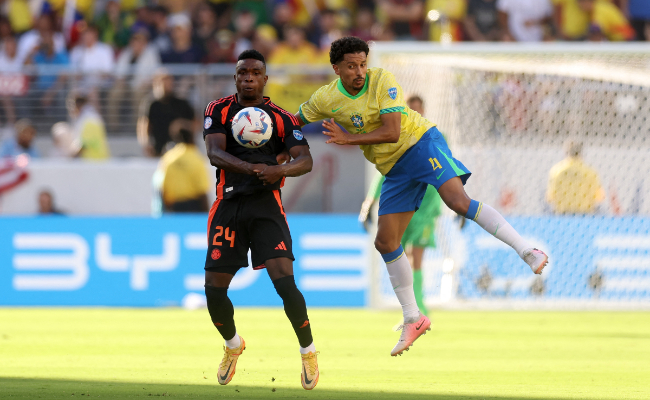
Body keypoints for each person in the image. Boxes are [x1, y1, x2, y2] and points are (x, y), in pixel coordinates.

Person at [296, 36, 548, 356]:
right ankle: (413, 317)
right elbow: (296, 120)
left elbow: (391, 131)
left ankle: (526, 250)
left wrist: (348, 139)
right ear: (336, 69)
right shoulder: (326, 98)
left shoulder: (382, 80)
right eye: (351, 66)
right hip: (393, 168)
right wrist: (272, 132)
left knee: (457, 201)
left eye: (362, 64)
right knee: (385, 241)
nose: (359, 71)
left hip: (419, 143)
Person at [202, 49, 318, 390]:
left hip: (267, 205)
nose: (248, 77)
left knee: (284, 281)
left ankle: (308, 350)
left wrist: (278, 170)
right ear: (235, 78)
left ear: (265, 79)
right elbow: (214, 153)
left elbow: (305, 160)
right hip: (229, 205)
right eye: (242, 73)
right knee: (213, 291)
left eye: (254, 72)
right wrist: (255, 168)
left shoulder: (281, 118)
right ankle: (233, 345)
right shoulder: (218, 110)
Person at [359, 95, 442, 317]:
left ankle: (420, 306)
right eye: (411, 109)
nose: (415, 112)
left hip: (425, 208)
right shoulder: (397, 138)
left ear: (423, 110)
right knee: (399, 257)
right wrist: (370, 201)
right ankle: (410, 306)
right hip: (403, 205)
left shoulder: (434, 136)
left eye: (418, 109)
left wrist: (458, 200)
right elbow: (384, 170)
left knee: (417, 257)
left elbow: (448, 168)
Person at [154, 119, 209, 213]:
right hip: (194, 207)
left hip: (175, 207)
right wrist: (206, 212)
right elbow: (202, 190)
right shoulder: (197, 158)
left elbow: (162, 187)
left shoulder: (168, 158)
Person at [138, 71, 195, 157]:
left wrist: (182, 125)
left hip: (181, 152)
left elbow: (196, 123)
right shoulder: (151, 104)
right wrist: (146, 144)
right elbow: (144, 125)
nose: (166, 85)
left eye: (168, 81)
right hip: (158, 151)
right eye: (162, 82)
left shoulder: (181, 103)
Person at [546, 140, 605, 214]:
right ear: (581, 153)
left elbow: (550, 197)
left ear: (566, 153)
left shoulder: (556, 171)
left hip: (563, 214)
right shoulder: (590, 172)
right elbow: (599, 197)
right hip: (585, 214)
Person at [68, 94, 110, 160]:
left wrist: (68, 159)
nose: (71, 111)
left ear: (78, 106)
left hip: (95, 163)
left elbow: (83, 146)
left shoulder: (90, 121)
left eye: (71, 106)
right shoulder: (90, 119)